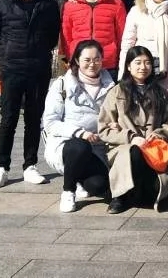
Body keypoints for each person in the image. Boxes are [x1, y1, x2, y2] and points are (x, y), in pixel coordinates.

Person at [0, 0, 61, 188]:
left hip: (38, 70)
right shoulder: (1, 5)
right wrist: (6, 55)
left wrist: (39, 53)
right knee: (8, 119)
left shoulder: (48, 6)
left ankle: (30, 165)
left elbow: (52, 36)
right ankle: (1, 167)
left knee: (34, 119)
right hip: (12, 69)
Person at [98, 46, 168, 214]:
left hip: (152, 146)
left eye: (147, 63)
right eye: (138, 62)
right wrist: (131, 137)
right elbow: (104, 128)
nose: (143, 67)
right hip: (124, 147)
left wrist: (158, 134)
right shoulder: (116, 92)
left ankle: (145, 189)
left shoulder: (160, 92)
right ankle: (120, 196)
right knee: (133, 152)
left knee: (152, 192)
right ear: (128, 66)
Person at [42, 40, 115, 213]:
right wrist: (79, 132)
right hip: (66, 145)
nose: (92, 64)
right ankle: (68, 190)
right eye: (87, 60)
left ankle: (78, 179)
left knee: (99, 186)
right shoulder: (62, 85)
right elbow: (50, 123)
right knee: (80, 146)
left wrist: (114, 125)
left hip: (97, 148)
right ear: (76, 60)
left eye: (97, 59)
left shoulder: (111, 86)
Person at [61, 0, 127, 77]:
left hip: (107, 63)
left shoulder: (116, 3)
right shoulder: (71, 5)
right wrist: (69, 58)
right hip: (80, 62)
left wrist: (120, 60)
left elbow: (122, 35)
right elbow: (66, 35)